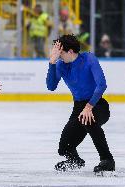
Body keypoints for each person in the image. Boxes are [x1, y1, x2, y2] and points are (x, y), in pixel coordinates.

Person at [46, 34, 115, 173]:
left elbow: (101, 85)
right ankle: (75, 161)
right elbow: (51, 86)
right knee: (64, 147)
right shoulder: (60, 65)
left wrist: (89, 107)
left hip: (97, 104)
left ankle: (107, 160)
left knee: (88, 119)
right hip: (78, 107)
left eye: (60, 52)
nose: (58, 56)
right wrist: (51, 63)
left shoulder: (89, 59)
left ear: (70, 51)